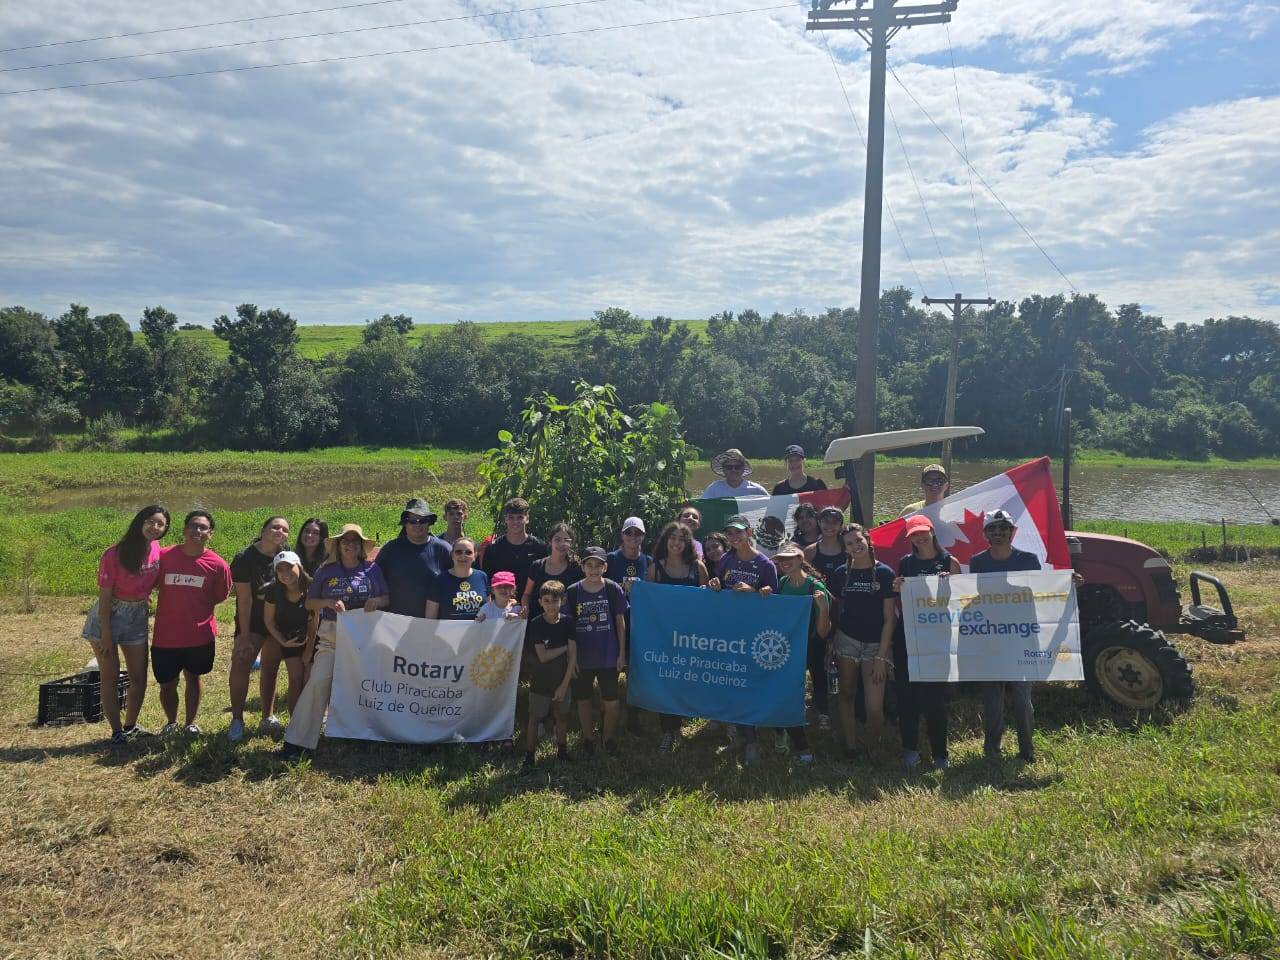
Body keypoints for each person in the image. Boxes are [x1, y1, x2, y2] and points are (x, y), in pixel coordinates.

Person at [281, 524, 389, 760]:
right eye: (345, 541)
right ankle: (296, 741)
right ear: (338, 546)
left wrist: (377, 601)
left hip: (365, 637)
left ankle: (364, 736)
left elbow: (386, 596)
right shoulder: (326, 571)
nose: (350, 544)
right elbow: (310, 603)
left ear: (361, 546)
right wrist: (328, 603)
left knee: (363, 687)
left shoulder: (372, 570)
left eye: (355, 541)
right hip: (332, 635)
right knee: (319, 681)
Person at [82, 504, 170, 744]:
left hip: (137, 616)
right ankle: (117, 731)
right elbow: (105, 596)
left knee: (139, 676)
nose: (154, 527)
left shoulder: (155, 548)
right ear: (139, 522)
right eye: (150, 521)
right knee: (109, 677)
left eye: (160, 524)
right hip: (108, 617)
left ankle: (131, 726)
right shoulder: (114, 553)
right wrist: (107, 633)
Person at [151, 511, 232, 736]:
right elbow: (150, 583)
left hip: (199, 635)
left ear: (210, 534)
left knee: (193, 678)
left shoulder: (218, 565)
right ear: (185, 530)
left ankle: (190, 723)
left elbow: (220, 595)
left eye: (203, 528)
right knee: (167, 683)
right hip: (165, 636)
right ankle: (171, 722)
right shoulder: (164, 557)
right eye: (194, 526)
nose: (198, 531)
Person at [970, 509, 1040, 762]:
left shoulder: (1029, 560)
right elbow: (974, 596)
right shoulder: (978, 562)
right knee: (992, 698)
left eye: (1003, 529)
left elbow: (1043, 592)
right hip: (991, 637)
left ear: (1012, 532)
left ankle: (1027, 750)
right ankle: (992, 749)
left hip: (1021, 637)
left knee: (1022, 698)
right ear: (985, 534)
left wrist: (1069, 582)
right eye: (993, 529)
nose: (998, 533)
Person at [708, 515, 778, 765]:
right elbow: (722, 592)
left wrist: (754, 593)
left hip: (753, 636)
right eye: (730, 534)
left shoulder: (766, 564)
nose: (734, 538)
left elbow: (775, 605)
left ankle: (752, 742)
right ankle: (739, 735)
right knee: (731, 682)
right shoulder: (726, 559)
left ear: (749, 532)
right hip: (729, 633)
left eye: (738, 532)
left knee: (747, 686)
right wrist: (715, 585)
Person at [892, 514, 961, 770]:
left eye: (924, 532)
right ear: (910, 538)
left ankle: (940, 754)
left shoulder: (948, 561)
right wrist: (898, 586)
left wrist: (949, 585)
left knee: (934, 699)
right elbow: (903, 599)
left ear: (932, 532)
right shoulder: (906, 563)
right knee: (907, 697)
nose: (920, 537)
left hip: (938, 637)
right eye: (914, 534)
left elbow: (959, 600)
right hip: (909, 637)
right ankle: (910, 749)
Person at [827, 524, 896, 761]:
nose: (855, 547)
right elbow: (835, 611)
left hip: (876, 645)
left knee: (874, 708)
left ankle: (873, 745)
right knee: (846, 693)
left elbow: (889, 620)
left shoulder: (885, 573)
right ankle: (850, 746)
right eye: (849, 544)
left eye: (859, 541)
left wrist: (881, 657)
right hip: (847, 641)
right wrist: (831, 641)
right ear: (844, 548)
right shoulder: (840, 573)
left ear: (868, 540)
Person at [645, 520, 710, 754]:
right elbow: (647, 603)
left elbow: (707, 602)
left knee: (683, 680)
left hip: (690, 636)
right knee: (665, 679)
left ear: (688, 543)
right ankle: (667, 731)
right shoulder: (655, 568)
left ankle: (678, 725)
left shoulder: (698, 567)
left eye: (682, 539)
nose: (676, 543)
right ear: (666, 540)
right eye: (673, 538)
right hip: (663, 635)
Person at [228, 515, 292, 743]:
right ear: (263, 529)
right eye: (275, 527)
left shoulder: (286, 555)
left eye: (284, 530)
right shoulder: (245, 558)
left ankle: (268, 716)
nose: (279, 532)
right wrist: (243, 636)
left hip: (276, 622)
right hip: (253, 621)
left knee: (270, 667)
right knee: (241, 661)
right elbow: (243, 601)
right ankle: (237, 719)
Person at [563, 546, 628, 757]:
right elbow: (568, 629)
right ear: (582, 567)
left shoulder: (612, 589)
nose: (593, 570)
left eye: (598, 565)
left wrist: (621, 654)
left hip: (609, 655)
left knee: (611, 700)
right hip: (582, 657)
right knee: (583, 699)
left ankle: (608, 739)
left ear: (605, 567)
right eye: (589, 565)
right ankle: (589, 738)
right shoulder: (573, 591)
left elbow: (620, 623)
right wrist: (571, 659)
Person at [772, 542, 831, 764]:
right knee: (786, 695)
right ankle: (783, 733)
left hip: (811, 646)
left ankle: (802, 747)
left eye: (790, 558)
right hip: (787, 648)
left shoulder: (816, 588)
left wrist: (823, 609)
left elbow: (824, 632)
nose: (785, 562)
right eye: (781, 559)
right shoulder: (782, 583)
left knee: (795, 694)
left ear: (800, 559)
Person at [522, 579, 576, 769]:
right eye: (546, 601)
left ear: (563, 600)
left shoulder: (569, 622)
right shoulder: (536, 624)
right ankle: (529, 756)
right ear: (540, 602)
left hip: (562, 681)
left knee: (562, 718)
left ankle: (562, 751)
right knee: (535, 719)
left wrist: (564, 685)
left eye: (555, 601)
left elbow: (573, 656)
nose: (551, 605)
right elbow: (543, 656)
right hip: (540, 681)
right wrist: (563, 649)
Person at [375, 498, 451, 618]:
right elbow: (374, 579)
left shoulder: (444, 549)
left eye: (422, 520)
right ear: (405, 523)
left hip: (432, 623)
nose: (418, 524)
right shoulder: (390, 550)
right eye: (412, 521)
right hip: (395, 622)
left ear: (429, 522)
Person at [263, 550, 316, 716]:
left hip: (313, 639)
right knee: (295, 678)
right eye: (280, 570)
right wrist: (283, 642)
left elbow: (315, 622)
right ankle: (295, 720)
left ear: (299, 567)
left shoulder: (311, 588)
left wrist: (308, 651)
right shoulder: (273, 591)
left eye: (289, 568)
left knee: (310, 680)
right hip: (290, 640)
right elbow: (269, 621)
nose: (285, 573)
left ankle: (313, 718)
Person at [481, 498, 549, 603]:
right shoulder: (493, 548)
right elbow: (488, 581)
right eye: (511, 517)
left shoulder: (540, 547)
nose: (515, 522)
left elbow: (543, 580)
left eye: (520, 517)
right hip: (501, 606)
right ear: (505, 519)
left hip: (531, 606)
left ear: (527, 519)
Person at [521, 522, 583, 615]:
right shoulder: (537, 566)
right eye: (557, 540)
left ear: (571, 543)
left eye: (566, 540)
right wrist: (525, 607)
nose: (562, 544)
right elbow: (527, 595)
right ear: (550, 541)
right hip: (538, 622)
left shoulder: (576, 567)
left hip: (567, 623)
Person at [425, 538, 489, 620]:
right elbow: (430, 618)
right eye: (458, 552)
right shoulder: (440, 580)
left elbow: (489, 610)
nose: (463, 556)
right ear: (452, 555)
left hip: (478, 631)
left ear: (475, 556)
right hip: (448, 632)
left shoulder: (482, 576)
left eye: (468, 552)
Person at [804, 506, 848, 586]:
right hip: (818, 596)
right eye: (826, 521)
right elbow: (804, 579)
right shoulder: (810, 551)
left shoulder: (848, 549)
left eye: (834, 522)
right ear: (819, 523)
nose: (830, 526)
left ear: (840, 525)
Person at [700, 448, 769, 499]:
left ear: (743, 469)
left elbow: (772, 506)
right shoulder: (714, 488)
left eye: (737, 467)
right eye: (729, 467)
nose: (733, 470)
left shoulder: (757, 490)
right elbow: (701, 507)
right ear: (724, 469)